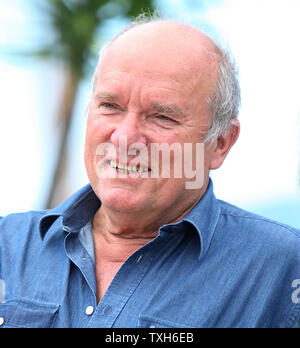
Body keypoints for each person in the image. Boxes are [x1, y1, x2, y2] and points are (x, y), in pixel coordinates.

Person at [0, 15, 299, 329]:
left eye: (162, 117)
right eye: (109, 105)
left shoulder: (283, 269)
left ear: (221, 143)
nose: (125, 138)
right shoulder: (8, 246)